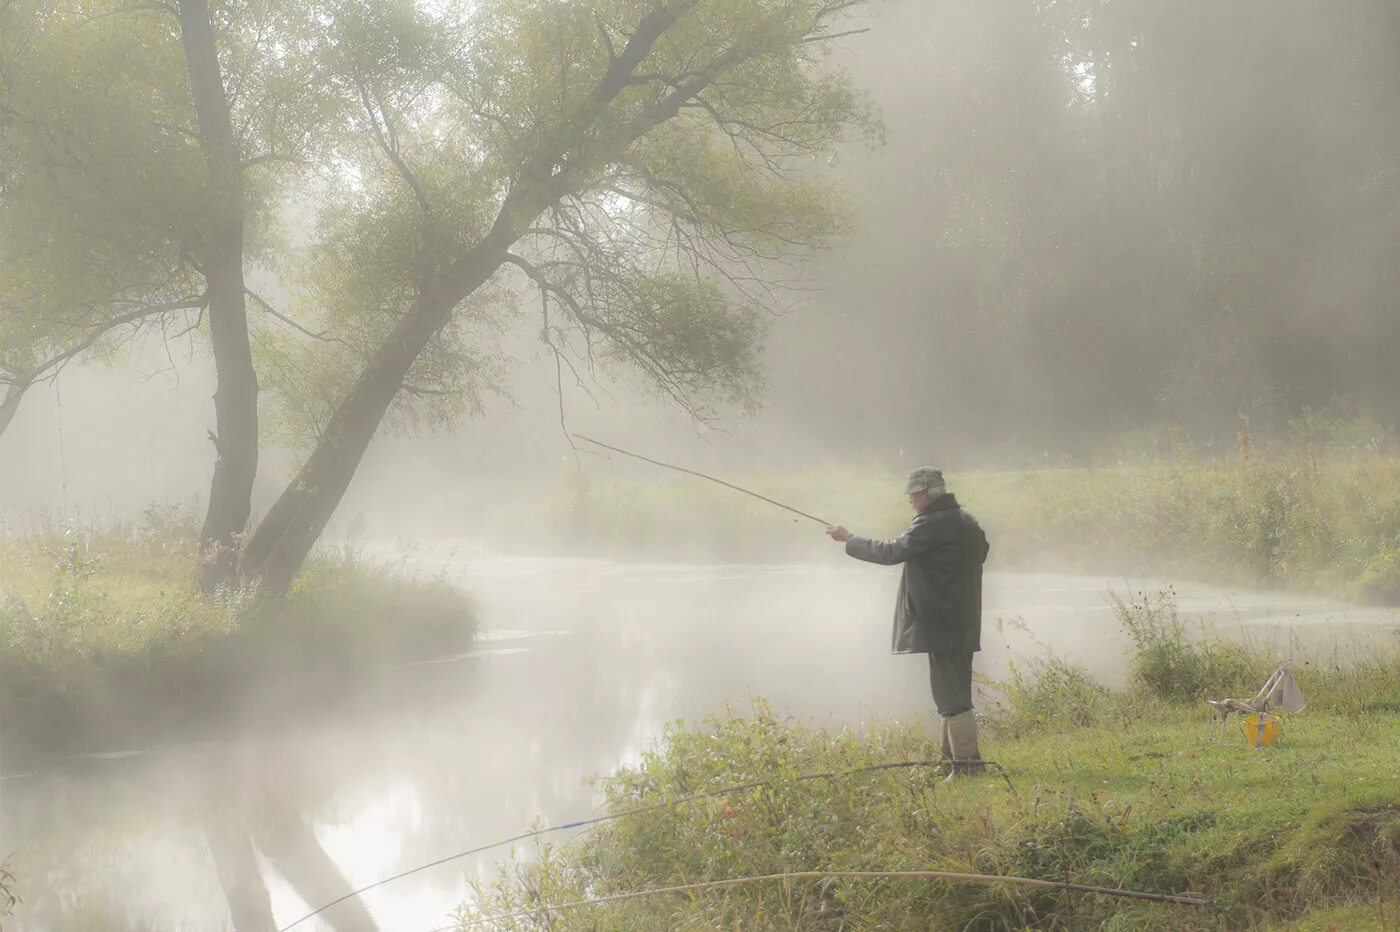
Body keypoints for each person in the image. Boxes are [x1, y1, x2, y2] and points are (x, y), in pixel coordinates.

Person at [825, 467, 990, 777]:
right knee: (952, 690)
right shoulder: (967, 522)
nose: (910, 501)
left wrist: (849, 538)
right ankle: (950, 761)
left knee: (950, 694)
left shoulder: (931, 524)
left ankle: (968, 767)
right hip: (962, 620)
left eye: (913, 495)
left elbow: (891, 552)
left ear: (926, 495)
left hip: (941, 622)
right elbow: (981, 553)